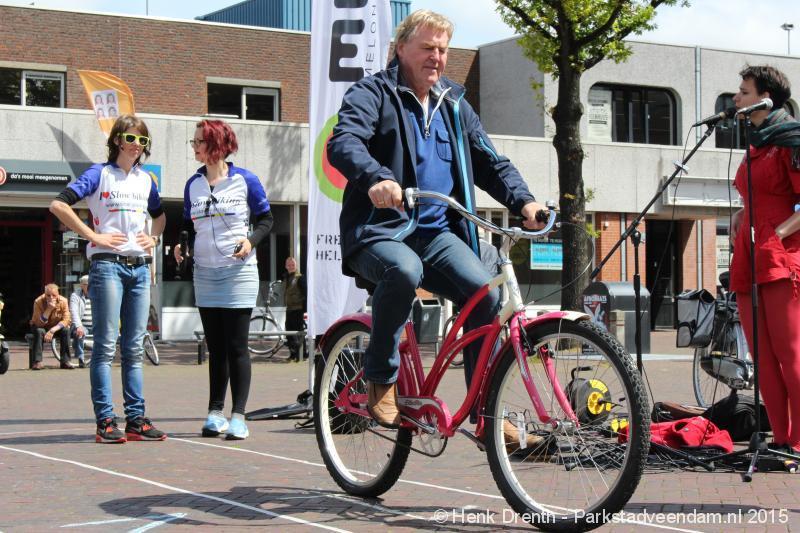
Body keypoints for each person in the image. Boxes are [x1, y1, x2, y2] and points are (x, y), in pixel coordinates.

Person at [327, 9, 547, 439]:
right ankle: (381, 377)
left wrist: (525, 201)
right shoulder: (373, 93)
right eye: (427, 47)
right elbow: (345, 141)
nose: (437, 57)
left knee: (484, 294)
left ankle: (486, 416)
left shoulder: (454, 104)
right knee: (403, 270)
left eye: (443, 50)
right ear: (400, 48)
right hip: (381, 230)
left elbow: (490, 162)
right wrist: (377, 178)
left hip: (438, 234)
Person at [50, 114, 167, 444]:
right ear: (117, 140)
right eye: (130, 138)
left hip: (140, 268)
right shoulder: (99, 174)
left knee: (133, 347)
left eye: (142, 141)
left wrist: (154, 238)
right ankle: (105, 421)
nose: (136, 145)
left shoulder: (145, 180)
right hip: (107, 267)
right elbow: (58, 205)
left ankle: (136, 420)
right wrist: (93, 236)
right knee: (104, 345)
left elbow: (159, 216)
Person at [174, 119, 273, 440]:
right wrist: (182, 246)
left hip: (238, 273)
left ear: (216, 144)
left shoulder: (245, 180)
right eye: (193, 142)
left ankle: (239, 417)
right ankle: (215, 413)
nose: (194, 146)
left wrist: (251, 241)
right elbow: (188, 225)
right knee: (215, 348)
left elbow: (267, 219)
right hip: (205, 273)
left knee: (236, 346)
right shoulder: (193, 184)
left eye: (199, 141)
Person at [729, 65, 800, 455]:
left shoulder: (792, 139)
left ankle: (799, 441)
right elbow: (754, 193)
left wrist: (777, 234)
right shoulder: (754, 143)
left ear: (765, 97)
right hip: (749, 254)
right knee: (763, 359)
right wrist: (742, 215)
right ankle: (781, 440)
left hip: (779, 255)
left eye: (744, 91)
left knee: (791, 354)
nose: (736, 97)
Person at [29, 283, 72, 370]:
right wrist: (49, 309)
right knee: (39, 331)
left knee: (66, 331)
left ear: (58, 294)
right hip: (41, 326)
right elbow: (38, 323)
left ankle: (65, 361)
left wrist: (52, 330)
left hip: (56, 327)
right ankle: (37, 362)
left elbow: (66, 320)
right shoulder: (38, 301)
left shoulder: (64, 301)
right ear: (45, 294)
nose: (51, 297)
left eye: (54, 295)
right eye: (48, 295)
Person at [283, 257, 307, 362]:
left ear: (296, 266)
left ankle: (302, 354)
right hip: (289, 309)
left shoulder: (300, 278)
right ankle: (293, 354)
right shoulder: (286, 278)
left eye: (292, 265)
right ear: (286, 266)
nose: (291, 266)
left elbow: (306, 293)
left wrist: (304, 310)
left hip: (298, 309)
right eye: (289, 265)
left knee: (298, 333)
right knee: (289, 332)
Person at [69, 275, 91, 368]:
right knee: (79, 333)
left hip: (96, 325)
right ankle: (81, 359)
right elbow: (74, 311)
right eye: (86, 284)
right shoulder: (75, 295)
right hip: (83, 325)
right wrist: (79, 326)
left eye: (90, 284)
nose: (89, 286)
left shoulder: (98, 294)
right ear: (81, 285)